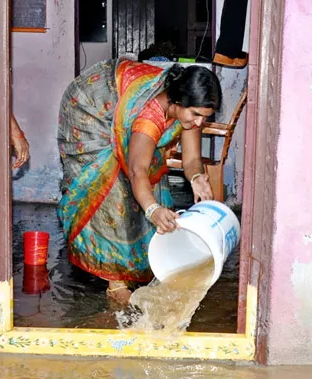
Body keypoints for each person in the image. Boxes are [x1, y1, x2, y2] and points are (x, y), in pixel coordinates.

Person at [57, 60, 222, 303]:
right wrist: (153, 210)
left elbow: (192, 159)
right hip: (93, 106)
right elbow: (137, 171)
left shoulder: (191, 109)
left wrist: (197, 177)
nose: (199, 123)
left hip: (127, 110)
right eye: (196, 115)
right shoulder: (150, 116)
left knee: (147, 179)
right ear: (177, 102)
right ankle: (115, 279)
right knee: (110, 180)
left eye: (204, 117)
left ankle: (139, 259)